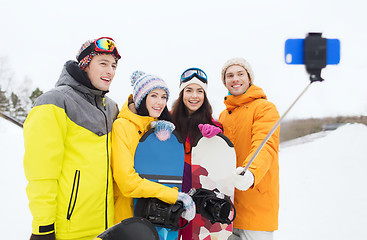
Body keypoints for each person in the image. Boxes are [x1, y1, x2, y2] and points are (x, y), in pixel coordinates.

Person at [23, 37, 121, 240]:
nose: (110, 71)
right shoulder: (54, 102)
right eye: (102, 63)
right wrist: (43, 227)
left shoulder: (110, 107)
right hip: (67, 230)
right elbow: (41, 172)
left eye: (113, 65)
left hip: (105, 228)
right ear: (85, 65)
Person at [111, 70, 195, 225]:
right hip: (127, 216)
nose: (160, 102)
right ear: (141, 98)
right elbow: (126, 181)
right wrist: (173, 196)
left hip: (154, 216)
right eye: (154, 96)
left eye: (164, 97)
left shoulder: (155, 127)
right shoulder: (122, 126)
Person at [219, 57, 280, 240]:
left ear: (249, 78)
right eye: (230, 75)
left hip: (255, 203)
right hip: (228, 208)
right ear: (225, 82)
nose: (235, 79)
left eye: (240, 74)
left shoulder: (265, 108)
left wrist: (251, 172)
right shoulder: (224, 115)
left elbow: (265, 145)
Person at [171, 68, 222, 240]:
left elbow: (220, 161)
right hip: (172, 194)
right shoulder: (169, 120)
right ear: (181, 93)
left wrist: (217, 137)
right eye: (189, 90)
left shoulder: (213, 124)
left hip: (199, 196)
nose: (194, 96)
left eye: (200, 91)